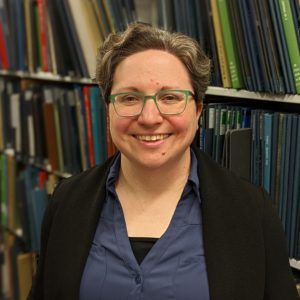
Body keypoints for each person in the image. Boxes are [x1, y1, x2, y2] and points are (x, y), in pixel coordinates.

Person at [28, 23, 298, 300]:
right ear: (108, 109)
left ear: (198, 110)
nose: (149, 117)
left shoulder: (252, 210)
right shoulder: (67, 201)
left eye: (169, 97)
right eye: (130, 98)